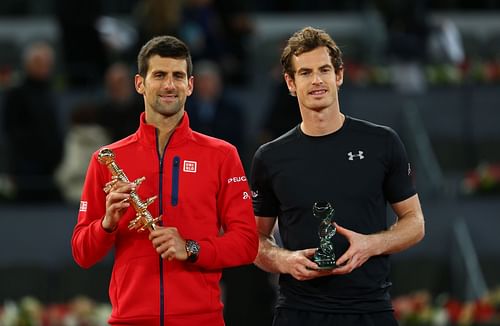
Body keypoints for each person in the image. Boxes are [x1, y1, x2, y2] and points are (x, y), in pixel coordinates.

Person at [71, 35, 258, 326]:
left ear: (190, 85)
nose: (169, 85)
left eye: (178, 76)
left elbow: (247, 243)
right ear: (139, 84)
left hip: (201, 319)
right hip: (130, 319)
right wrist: (107, 223)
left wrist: (191, 248)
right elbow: (82, 253)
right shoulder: (107, 159)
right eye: (159, 75)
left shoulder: (222, 155)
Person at [250, 26, 425, 326]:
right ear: (290, 83)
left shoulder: (382, 142)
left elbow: (415, 223)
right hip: (298, 311)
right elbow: (254, 238)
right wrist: (283, 260)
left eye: (324, 70)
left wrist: (371, 244)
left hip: (370, 309)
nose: (316, 80)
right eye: (305, 73)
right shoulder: (270, 157)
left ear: (339, 75)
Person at [2, 41, 63, 201]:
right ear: (27, 65)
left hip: (52, 164)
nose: (44, 67)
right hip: (26, 166)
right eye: (38, 62)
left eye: (47, 63)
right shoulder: (16, 93)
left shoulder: (50, 92)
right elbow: (12, 130)